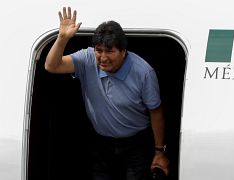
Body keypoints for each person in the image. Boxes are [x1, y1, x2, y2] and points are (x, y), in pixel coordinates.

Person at [45, 7, 169, 180]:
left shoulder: (144, 72)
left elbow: (155, 112)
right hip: (100, 143)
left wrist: (159, 151)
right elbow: (52, 66)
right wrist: (62, 39)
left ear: (123, 52)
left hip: (136, 144)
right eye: (99, 50)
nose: (103, 57)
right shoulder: (87, 59)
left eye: (109, 51)